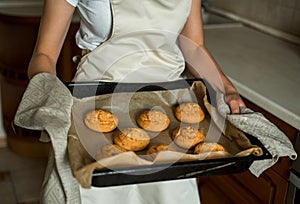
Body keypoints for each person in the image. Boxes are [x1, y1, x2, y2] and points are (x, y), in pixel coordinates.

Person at [27, 0, 245, 203]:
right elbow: (44, 54)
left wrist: (226, 89)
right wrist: (49, 97)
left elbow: (194, 46)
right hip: (93, 102)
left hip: (167, 105)